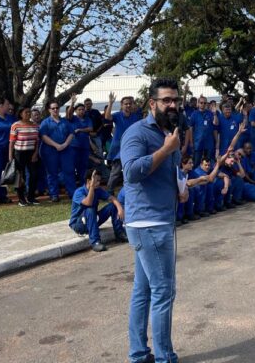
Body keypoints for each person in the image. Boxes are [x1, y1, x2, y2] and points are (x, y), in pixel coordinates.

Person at [120, 78, 187, 363]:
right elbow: (132, 172)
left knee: (144, 290)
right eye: (166, 100)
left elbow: (168, 171)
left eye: (175, 100)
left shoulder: (169, 132)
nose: (172, 105)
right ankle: (164, 358)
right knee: (163, 292)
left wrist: (180, 188)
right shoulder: (137, 133)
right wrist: (166, 150)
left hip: (160, 219)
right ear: (152, 103)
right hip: (149, 223)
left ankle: (138, 355)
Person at [70, 168, 127, 251]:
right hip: (79, 225)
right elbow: (88, 202)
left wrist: (119, 208)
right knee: (90, 209)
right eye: (96, 181)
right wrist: (92, 187)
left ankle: (119, 234)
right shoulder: (79, 192)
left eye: (99, 181)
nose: (98, 183)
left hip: (92, 220)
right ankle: (95, 242)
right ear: (89, 181)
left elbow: (112, 198)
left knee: (113, 206)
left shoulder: (98, 190)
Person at [104, 93, 142, 193]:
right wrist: (110, 103)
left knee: (130, 171)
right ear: (122, 105)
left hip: (132, 148)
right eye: (126, 104)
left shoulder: (136, 116)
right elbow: (107, 117)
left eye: (130, 104)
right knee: (115, 172)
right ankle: (109, 191)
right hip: (118, 149)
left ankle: (129, 191)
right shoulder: (117, 115)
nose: (128, 105)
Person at [39, 100, 75, 202]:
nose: (55, 110)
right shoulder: (45, 122)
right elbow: (43, 136)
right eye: (53, 108)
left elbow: (71, 134)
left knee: (69, 172)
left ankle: (72, 192)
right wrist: (56, 145)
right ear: (49, 110)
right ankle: (54, 194)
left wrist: (64, 144)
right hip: (50, 151)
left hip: (65, 150)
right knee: (52, 173)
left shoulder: (65, 122)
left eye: (57, 108)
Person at [9, 107, 41, 206]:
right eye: (26, 112)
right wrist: (10, 156)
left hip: (31, 153)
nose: (28, 114)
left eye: (29, 112)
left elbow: (37, 141)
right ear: (21, 114)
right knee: (20, 176)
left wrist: (35, 153)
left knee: (34, 175)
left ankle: (31, 197)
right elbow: (11, 142)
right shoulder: (15, 125)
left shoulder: (35, 126)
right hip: (19, 153)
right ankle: (21, 199)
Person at [67, 94, 94, 186]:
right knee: (72, 166)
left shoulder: (88, 119)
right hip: (74, 147)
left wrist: (80, 130)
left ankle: (83, 185)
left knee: (83, 167)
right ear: (75, 111)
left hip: (85, 147)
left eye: (83, 109)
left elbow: (90, 129)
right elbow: (69, 114)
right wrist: (72, 103)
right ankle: (72, 186)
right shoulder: (73, 119)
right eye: (79, 109)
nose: (81, 111)